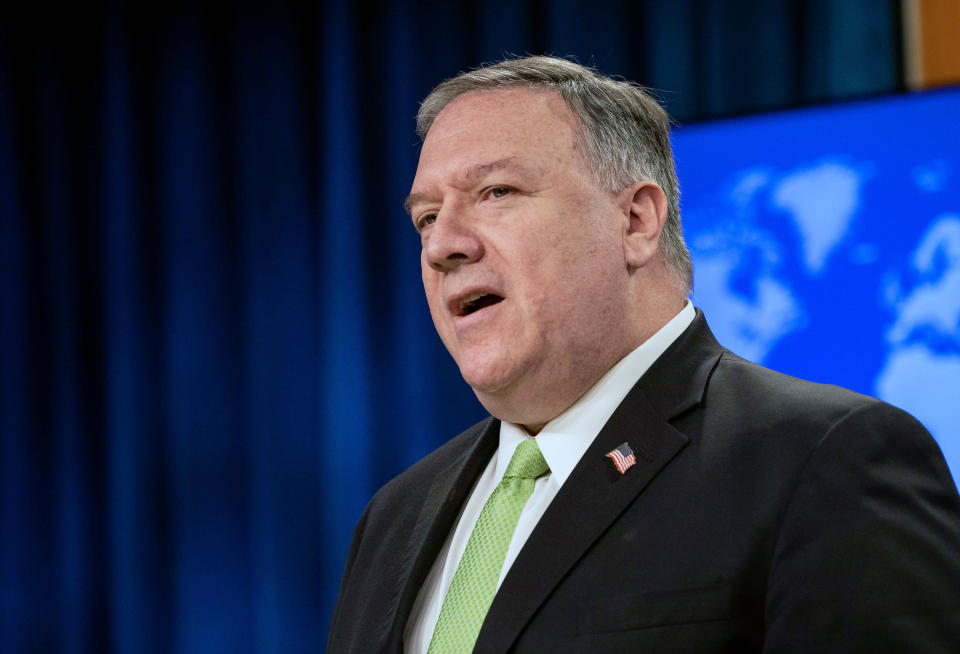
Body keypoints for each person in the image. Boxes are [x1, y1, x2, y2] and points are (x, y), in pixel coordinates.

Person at [326, 56, 960, 653]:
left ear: (635, 221)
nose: (444, 246)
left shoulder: (823, 460)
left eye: (496, 192)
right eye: (427, 217)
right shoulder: (394, 516)